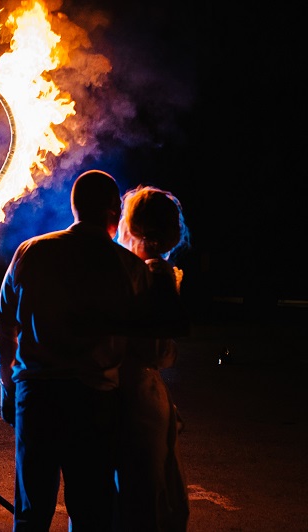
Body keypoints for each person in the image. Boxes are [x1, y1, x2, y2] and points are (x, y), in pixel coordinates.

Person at [0, 170, 156, 531]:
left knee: (32, 509)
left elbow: (4, 324)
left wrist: (7, 384)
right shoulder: (127, 266)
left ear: (75, 206)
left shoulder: (31, 251)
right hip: (94, 399)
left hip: (36, 396)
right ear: (115, 211)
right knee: (91, 508)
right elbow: (147, 345)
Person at [115, 184, 191, 531]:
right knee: (154, 490)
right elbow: (161, 349)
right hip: (142, 390)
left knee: (138, 491)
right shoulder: (156, 273)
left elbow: (154, 346)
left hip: (130, 387)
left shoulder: (139, 271)